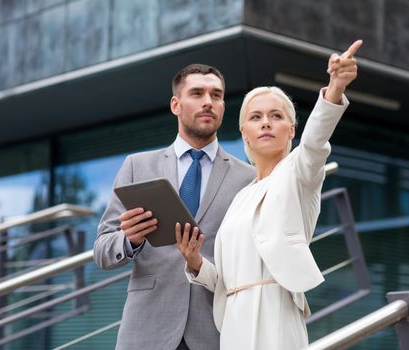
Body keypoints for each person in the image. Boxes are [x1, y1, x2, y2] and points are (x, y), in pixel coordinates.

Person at [175, 40, 362, 349]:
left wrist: (335, 89)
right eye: (256, 117)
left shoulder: (299, 173)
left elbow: (315, 142)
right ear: (244, 132)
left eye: (276, 116)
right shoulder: (239, 198)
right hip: (234, 324)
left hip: (276, 316)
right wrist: (195, 262)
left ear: (291, 130)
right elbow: (224, 281)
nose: (265, 122)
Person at [93, 64, 255, 350]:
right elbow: (103, 252)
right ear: (175, 105)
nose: (208, 101)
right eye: (197, 93)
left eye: (216, 95)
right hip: (147, 330)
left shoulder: (248, 178)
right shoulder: (137, 166)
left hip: (215, 332)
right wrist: (130, 240)